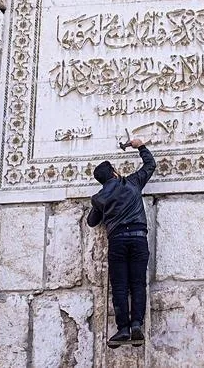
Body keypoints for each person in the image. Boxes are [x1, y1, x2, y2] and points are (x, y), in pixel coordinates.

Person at [87, 138, 156, 349]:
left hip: (117, 241)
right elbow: (150, 165)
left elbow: (92, 222)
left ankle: (123, 329)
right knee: (137, 283)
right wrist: (140, 146)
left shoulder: (99, 197)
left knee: (119, 286)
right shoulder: (133, 182)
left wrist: (99, 204)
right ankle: (137, 324)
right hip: (138, 238)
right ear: (115, 173)